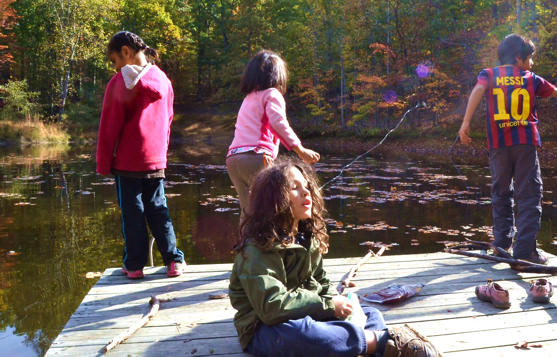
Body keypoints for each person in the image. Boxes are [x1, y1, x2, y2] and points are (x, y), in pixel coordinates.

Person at [229, 158, 440, 357]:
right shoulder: (256, 249)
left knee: (370, 314)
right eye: (295, 188)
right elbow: (271, 307)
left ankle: (361, 342)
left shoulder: (306, 237)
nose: (306, 192)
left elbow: (321, 281)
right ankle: (379, 342)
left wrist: (342, 305)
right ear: (274, 200)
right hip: (263, 328)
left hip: (305, 312)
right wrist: (329, 305)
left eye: (307, 185)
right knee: (306, 333)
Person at [458, 34, 557, 263]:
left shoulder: (488, 74)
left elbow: (478, 91)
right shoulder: (531, 78)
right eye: (530, 58)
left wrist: (466, 122)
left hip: (498, 146)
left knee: (501, 194)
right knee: (529, 196)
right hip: (525, 145)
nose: (532, 63)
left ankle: (501, 246)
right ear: (519, 58)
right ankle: (525, 252)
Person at [96, 31, 186, 279]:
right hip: (155, 160)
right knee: (158, 209)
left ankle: (135, 265)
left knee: (132, 214)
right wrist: (162, 156)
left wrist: (103, 162)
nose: (115, 68)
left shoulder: (118, 84)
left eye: (114, 60)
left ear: (126, 51)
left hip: (127, 162)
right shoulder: (164, 81)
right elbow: (167, 121)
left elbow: (109, 127)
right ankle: (173, 260)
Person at [226, 50, 320, 223]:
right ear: (278, 75)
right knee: (270, 207)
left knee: (248, 211)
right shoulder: (272, 94)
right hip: (256, 156)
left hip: (233, 158)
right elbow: (278, 123)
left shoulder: (249, 98)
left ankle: (245, 248)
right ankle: (271, 246)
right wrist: (300, 150)